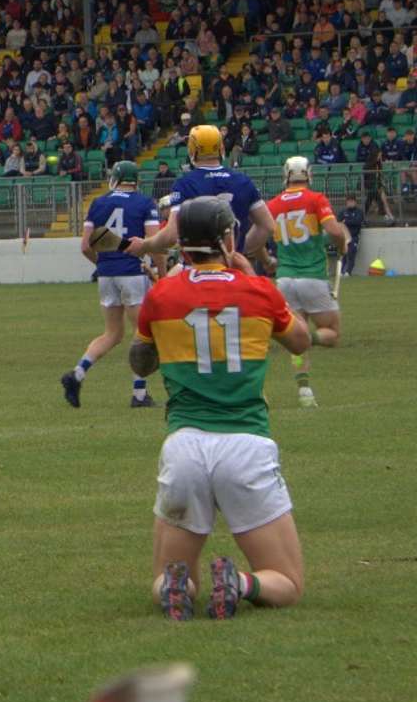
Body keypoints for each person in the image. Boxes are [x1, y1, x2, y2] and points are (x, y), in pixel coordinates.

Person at [130, 196, 312, 620]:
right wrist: (252, 276)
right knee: (287, 582)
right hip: (245, 443)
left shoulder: (161, 295)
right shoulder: (258, 291)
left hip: (185, 445)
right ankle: (241, 582)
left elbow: (141, 362)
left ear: (183, 243)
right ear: (228, 237)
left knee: (167, 579)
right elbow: (301, 341)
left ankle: (181, 587)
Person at [62, 160, 160, 410]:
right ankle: (139, 395)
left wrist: (101, 263)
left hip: (107, 274)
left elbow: (85, 246)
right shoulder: (144, 203)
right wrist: (162, 272)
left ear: (115, 178)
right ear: (136, 181)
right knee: (143, 333)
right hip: (132, 272)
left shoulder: (99, 203)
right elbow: (155, 241)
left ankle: (77, 374)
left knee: (112, 333)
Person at [127, 124, 274, 271]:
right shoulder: (243, 181)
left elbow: (171, 234)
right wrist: (236, 250)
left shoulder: (185, 184)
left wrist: (145, 245)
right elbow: (267, 226)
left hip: (197, 270)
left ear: (192, 149)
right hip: (233, 271)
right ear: (221, 148)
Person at [267, 158, 349, 407]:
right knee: (332, 334)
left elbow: (258, 237)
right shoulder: (316, 199)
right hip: (312, 276)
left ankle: (305, 392)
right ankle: (304, 338)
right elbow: (335, 231)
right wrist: (342, 245)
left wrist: (265, 259)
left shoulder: (273, 204)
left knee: (298, 333)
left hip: (285, 279)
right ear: (308, 174)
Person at [338, 194, 364, 276]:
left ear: (355, 202)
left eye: (352, 201)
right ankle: (341, 272)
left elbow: (357, 222)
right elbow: (338, 222)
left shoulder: (359, 212)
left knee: (351, 253)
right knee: (344, 254)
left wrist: (346, 221)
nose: (350, 203)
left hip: (354, 237)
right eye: (349, 201)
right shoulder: (343, 212)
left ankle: (348, 272)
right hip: (344, 237)